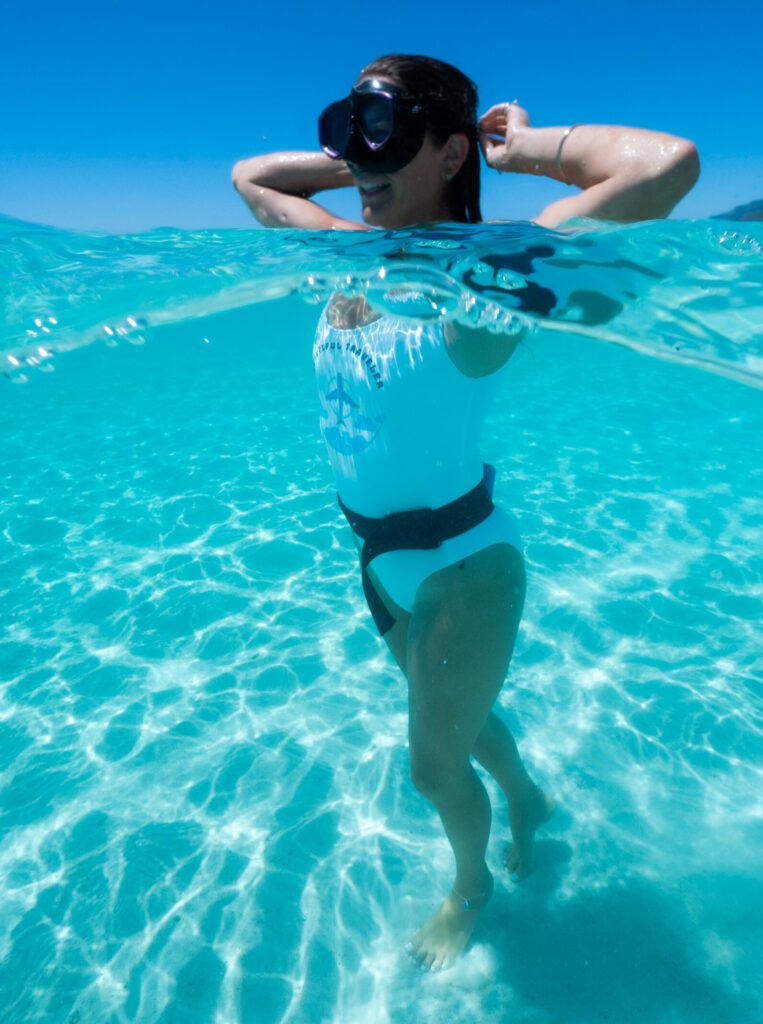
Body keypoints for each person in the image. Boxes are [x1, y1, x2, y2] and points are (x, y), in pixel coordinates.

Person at [232, 53, 699, 971]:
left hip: (461, 565)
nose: (363, 161)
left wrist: (520, 150)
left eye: (388, 128)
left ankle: (471, 886)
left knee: (432, 767)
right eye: (354, 125)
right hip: (380, 557)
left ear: (450, 155)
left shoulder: (484, 285)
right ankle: (529, 794)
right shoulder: (341, 254)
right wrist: (375, 156)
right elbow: (250, 178)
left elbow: (667, 165)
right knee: (456, 718)